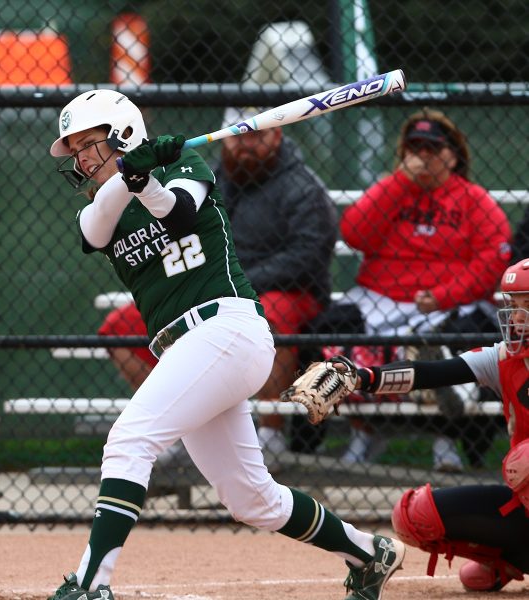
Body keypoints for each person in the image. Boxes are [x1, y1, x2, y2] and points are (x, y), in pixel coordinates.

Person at [47, 88, 404, 600]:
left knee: (129, 441)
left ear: (121, 133)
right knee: (252, 499)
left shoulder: (187, 163)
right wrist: (132, 177)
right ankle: (370, 553)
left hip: (226, 329)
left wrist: (146, 178)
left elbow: (179, 214)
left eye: (88, 144)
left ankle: (90, 583)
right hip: (186, 349)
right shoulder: (96, 208)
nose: (80, 158)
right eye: (75, 149)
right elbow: (100, 223)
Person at [97, 106, 337, 458]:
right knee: (119, 327)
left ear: (277, 137)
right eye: (238, 138)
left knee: (274, 313)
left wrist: (241, 282)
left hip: (286, 291)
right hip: (208, 290)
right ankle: (178, 427)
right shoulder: (204, 176)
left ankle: (270, 432)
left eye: (257, 136)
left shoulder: (301, 186)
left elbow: (309, 254)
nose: (245, 146)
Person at [306, 258, 529, 592]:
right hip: (523, 499)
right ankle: (511, 558)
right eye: (513, 305)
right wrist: (362, 378)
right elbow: (429, 373)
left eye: (526, 305)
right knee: (416, 517)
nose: (515, 317)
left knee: (525, 460)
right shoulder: (503, 358)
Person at [336, 108, 511, 471]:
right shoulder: (392, 189)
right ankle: (364, 431)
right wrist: (399, 181)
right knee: (331, 323)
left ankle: (444, 441)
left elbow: (492, 262)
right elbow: (354, 233)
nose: (424, 155)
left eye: (433, 147)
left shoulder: (472, 199)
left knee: (456, 343)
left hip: (446, 304)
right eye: (415, 147)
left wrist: (445, 295)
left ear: (452, 154)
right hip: (380, 299)